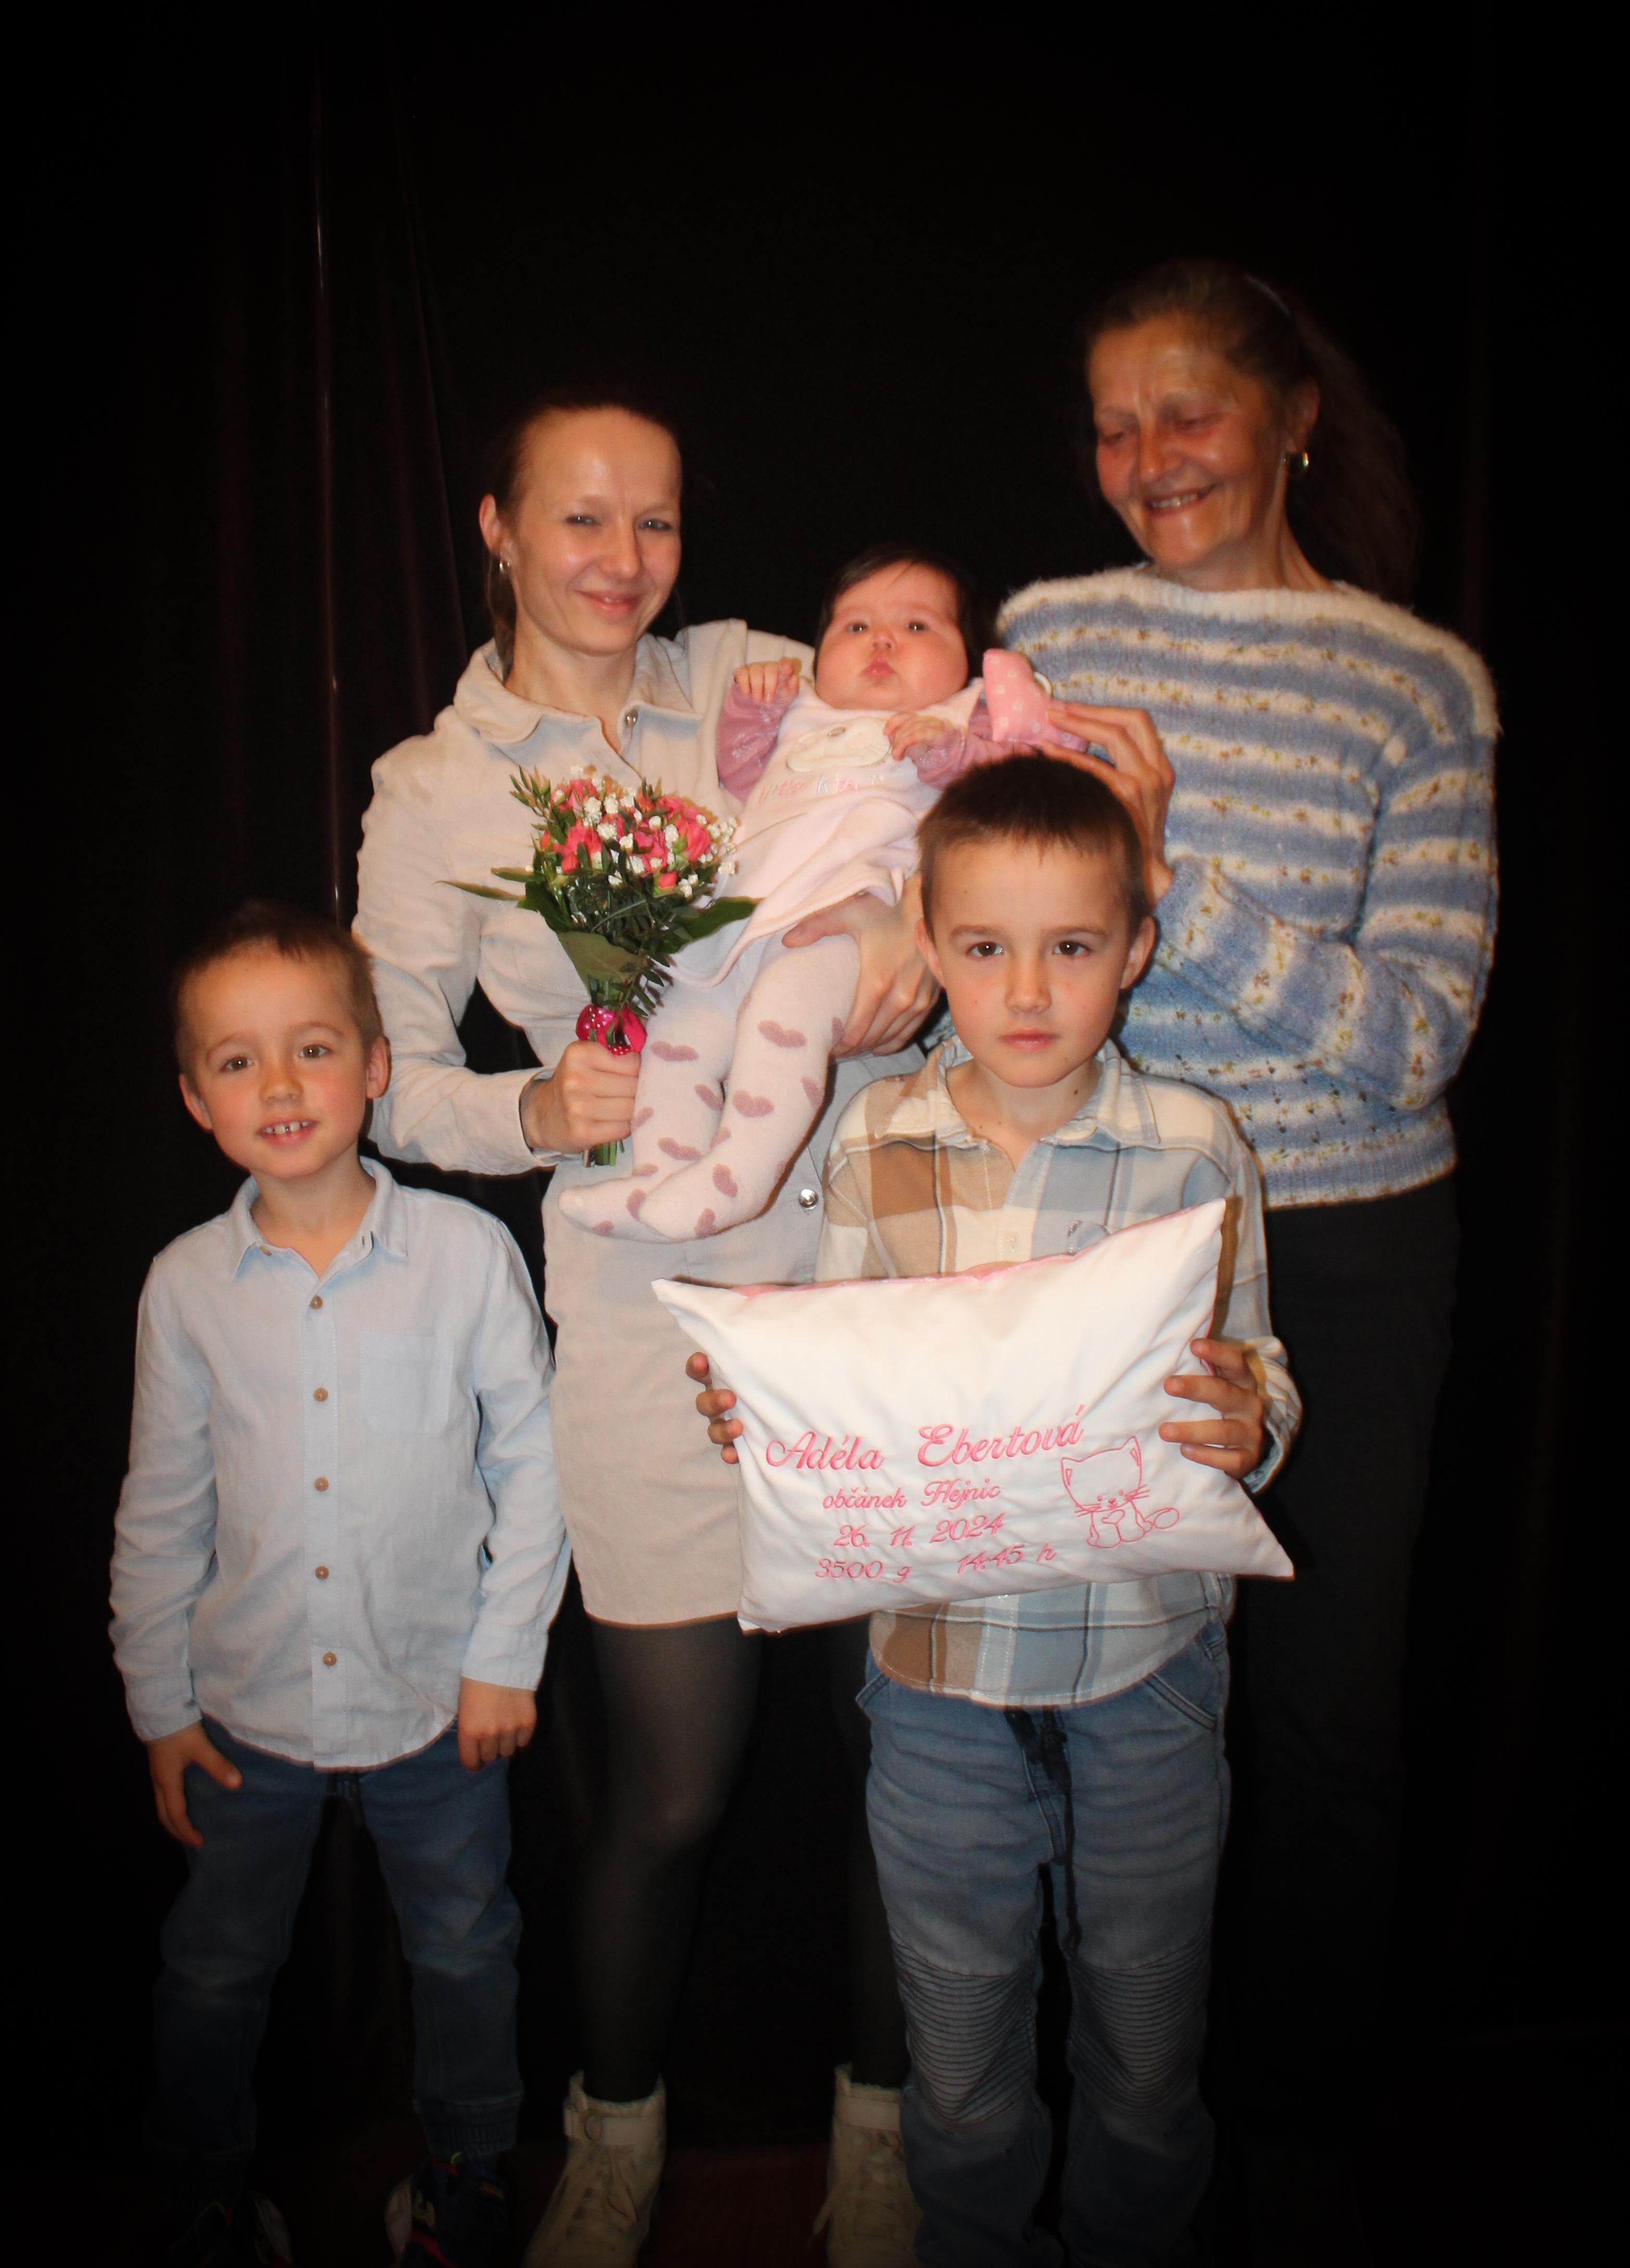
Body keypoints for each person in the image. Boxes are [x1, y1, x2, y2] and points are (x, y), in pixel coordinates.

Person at [353, 397, 939, 2266]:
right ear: (498, 527)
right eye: (583, 520)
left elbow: (949, 776)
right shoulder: (437, 789)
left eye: (657, 523)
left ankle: (883, 2140)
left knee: (902, 1765)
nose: (624, 562)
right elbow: (389, 1082)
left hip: (866, 1275)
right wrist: (534, 1110)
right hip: (640, 1313)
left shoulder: (765, 674)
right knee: (673, 1783)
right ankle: (613, 2144)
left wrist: (917, 940)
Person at [997, 258, 1498, 2257]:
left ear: (1291, 419)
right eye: (1111, 425)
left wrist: (1165, 876)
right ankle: (1110, 2125)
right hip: (1100, 1233)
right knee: (1087, 1708)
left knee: (1321, 1722)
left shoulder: (1416, 683)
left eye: (1184, 413)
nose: (1145, 461)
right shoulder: (1045, 639)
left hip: (1350, 1252)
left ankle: (1288, 2140)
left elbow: (1415, 1035)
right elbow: (978, 935)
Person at [693, 754, 1300, 2265]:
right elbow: (844, 1367)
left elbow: (1255, 1364)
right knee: (958, 2066)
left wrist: (1255, 1420)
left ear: (1137, 945)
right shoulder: (873, 1141)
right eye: (982, 946)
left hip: (1149, 1665)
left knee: (1147, 2052)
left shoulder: (1196, 1145)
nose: (1026, 990)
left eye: (1071, 945)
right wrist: (769, 1411)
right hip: (936, 1685)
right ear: (926, 935)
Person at [109, 903, 568, 2268]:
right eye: (237, 1060)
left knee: (466, 1951)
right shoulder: (184, 1290)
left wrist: (505, 1658)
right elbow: (160, 1509)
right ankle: (200, 2190)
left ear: (375, 1064)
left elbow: (536, 1465)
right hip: (243, 1717)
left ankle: (467, 2170)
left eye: (312, 1047)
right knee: (212, 1970)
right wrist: (158, 1707)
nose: (280, 1084)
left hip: (438, 1706)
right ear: (196, 1100)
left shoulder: (467, 1257)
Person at [559, 544, 1019, 1244]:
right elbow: (743, 776)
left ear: (970, 656)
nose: (882, 642)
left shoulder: (964, 715)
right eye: (855, 627)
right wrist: (752, 708)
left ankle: (738, 1176)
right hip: (747, 916)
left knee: (785, 1015)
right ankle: (660, 1174)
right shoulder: (802, 712)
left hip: (853, 919)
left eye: (917, 626)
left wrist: (951, 750)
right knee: (677, 1027)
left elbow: (1011, 786)